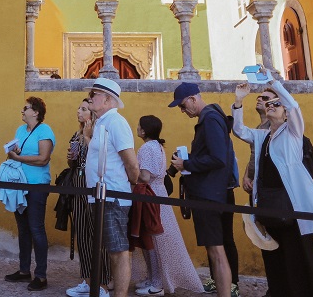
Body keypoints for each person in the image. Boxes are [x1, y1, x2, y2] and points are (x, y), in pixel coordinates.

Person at [233, 72, 313, 297]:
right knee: (276, 259)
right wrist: (239, 100)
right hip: (270, 205)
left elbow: (294, 106)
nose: (270, 105)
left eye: (276, 104)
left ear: (286, 113)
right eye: (268, 103)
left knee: (298, 258)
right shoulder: (262, 136)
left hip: (292, 207)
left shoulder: (293, 133)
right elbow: (239, 130)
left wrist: (274, 84)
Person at [169, 82, 238, 297]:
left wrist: (186, 165)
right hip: (214, 192)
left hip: (209, 195)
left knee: (217, 252)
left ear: (192, 99)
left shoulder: (209, 119)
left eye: (182, 105)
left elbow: (217, 158)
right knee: (216, 250)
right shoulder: (212, 117)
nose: (182, 110)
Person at [133, 115, 204, 296]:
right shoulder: (157, 146)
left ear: (144, 130)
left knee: (153, 240)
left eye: (139, 126)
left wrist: (130, 172)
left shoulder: (147, 148)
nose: (137, 128)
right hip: (158, 193)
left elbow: (145, 176)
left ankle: (157, 283)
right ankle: (153, 278)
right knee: (152, 239)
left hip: (150, 194)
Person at [84, 77, 140, 297]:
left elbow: (131, 163)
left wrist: (128, 183)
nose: (90, 98)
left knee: (119, 251)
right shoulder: (102, 123)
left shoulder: (116, 123)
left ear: (107, 99)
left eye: (94, 95)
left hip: (112, 198)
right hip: (101, 196)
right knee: (112, 250)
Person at [3, 96, 56, 292]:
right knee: (23, 228)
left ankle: (41, 275)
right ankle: (24, 270)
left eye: (25, 108)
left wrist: (18, 157)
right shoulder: (20, 130)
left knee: (36, 228)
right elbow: (20, 152)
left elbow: (43, 159)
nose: (22, 111)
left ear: (35, 112)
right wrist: (14, 152)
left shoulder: (45, 130)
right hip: (19, 185)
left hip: (37, 186)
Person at [64, 98, 111, 297]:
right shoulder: (76, 134)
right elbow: (72, 163)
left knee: (98, 235)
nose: (79, 111)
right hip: (78, 183)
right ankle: (87, 279)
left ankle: (104, 283)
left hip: (93, 185)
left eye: (84, 109)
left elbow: (102, 158)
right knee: (82, 233)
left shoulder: (98, 132)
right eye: (79, 108)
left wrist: (88, 137)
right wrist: (70, 157)